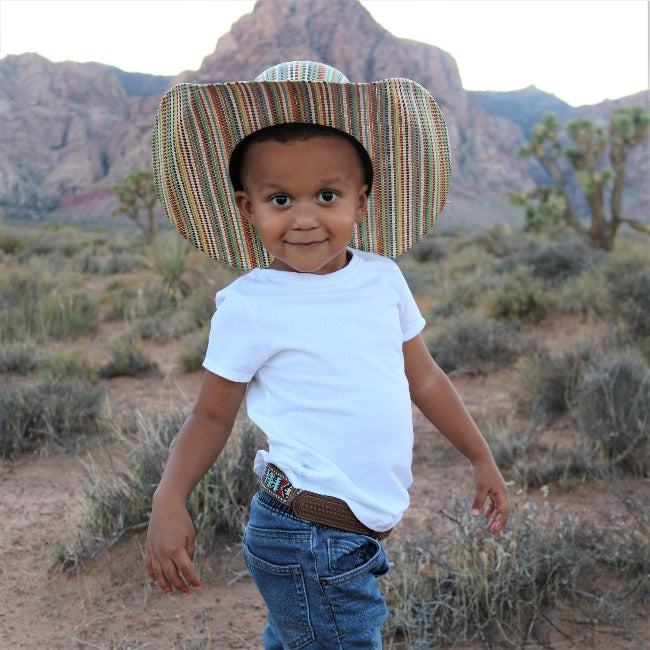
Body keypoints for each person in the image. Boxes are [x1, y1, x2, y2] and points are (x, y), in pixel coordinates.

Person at [146, 60, 509, 648]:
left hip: (344, 538)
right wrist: (169, 498)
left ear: (361, 201)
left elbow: (427, 380)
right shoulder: (250, 304)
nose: (306, 217)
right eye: (281, 199)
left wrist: (480, 456)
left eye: (327, 194)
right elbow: (210, 415)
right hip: (307, 535)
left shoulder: (382, 279)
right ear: (247, 208)